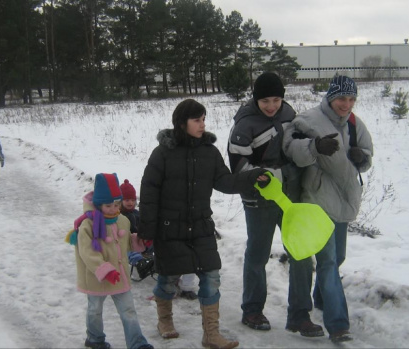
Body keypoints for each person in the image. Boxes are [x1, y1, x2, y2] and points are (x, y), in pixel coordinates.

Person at [138, 98, 267, 349]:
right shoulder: (163, 153)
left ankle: (211, 334)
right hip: (169, 228)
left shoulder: (209, 152)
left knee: (211, 277)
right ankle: (164, 321)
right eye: (197, 120)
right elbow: (149, 191)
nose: (202, 124)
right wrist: (147, 229)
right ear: (181, 123)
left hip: (200, 227)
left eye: (203, 119)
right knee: (167, 279)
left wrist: (252, 177)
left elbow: (225, 182)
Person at [227, 72, 324, 336]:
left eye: (277, 100)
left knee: (301, 252)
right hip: (259, 199)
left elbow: (298, 147)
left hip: (291, 197)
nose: (272, 106)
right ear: (256, 99)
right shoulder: (244, 126)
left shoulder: (289, 115)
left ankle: (300, 315)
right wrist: (267, 176)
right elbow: (238, 166)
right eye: (266, 101)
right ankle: (252, 309)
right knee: (258, 254)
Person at [282, 75, 373, 342]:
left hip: (344, 199)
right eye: (341, 98)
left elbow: (367, 154)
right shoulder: (308, 120)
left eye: (351, 99)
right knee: (329, 262)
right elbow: (291, 150)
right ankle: (338, 324)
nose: (346, 104)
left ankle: (321, 298)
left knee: (338, 256)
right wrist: (314, 146)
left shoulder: (355, 124)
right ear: (330, 97)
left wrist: (362, 158)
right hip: (316, 199)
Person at [67, 173, 153, 349]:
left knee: (128, 311)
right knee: (95, 310)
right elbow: (87, 252)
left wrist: (141, 241)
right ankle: (95, 339)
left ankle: (137, 343)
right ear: (99, 204)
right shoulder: (88, 225)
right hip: (96, 278)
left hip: (119, 276)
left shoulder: (122, 220)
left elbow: (127, 242)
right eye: (108, 205)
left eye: (116, 204)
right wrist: (105, 270)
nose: (113, 209)